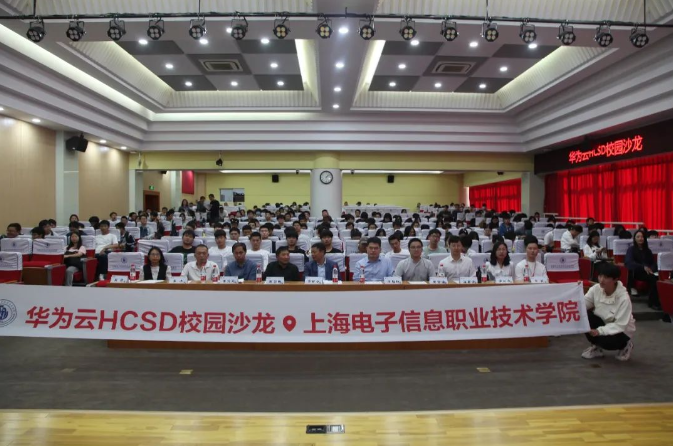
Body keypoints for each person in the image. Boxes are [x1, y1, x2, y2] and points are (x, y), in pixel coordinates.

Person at [582, 263, 636, 361]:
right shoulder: (595, 289)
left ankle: (625, 345)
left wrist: (599, 331)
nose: (601, 280)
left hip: (621, 331)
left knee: (607, 343)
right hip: (603, 322)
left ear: (615, 279)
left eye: (606, 277)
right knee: (584, 316)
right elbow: (583, 304)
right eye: (600, 276)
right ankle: (596, 347)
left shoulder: (623, 298)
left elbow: (620, 325)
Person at [625, 230, 660, 309]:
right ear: (635, 238)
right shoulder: (631, 249)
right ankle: (653, 303)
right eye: (638, 237)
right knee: (653, 279)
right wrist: (643, 267)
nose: (640, 238)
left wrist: (651, 269)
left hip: (649, 272)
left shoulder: (647, 250)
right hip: (637, 272)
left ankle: (658, 301)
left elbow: (653, 263)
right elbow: (629, 263)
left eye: (642, 237)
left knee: (657, 278)